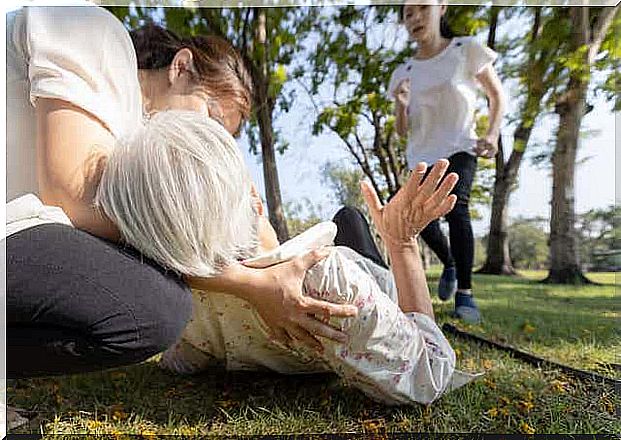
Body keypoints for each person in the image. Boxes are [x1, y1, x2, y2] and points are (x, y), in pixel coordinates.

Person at [5, 4, 356, 382]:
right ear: (181, 66)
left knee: (160, 305)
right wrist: (249, 284)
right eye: (212, 118)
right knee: (153, 308)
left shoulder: (129, 142)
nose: (206, 139)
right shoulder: (94, 33)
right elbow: (72, 198)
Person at [96, 110, 481, 405]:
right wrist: (402, 244)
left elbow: (180, 363)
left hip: (317, 268)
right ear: (253, 200)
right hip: (371, 282)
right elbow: (432, 375)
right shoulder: (325, 282)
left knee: (346, 221)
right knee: (349, 217)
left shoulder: (174, 305)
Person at [388, 1, 506, 323]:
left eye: (422, 8)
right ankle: (450, 262)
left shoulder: (465, 49)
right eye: (408, 13)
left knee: (457, 208)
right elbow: (401, 131)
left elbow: (497, 95)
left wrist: (492, 134)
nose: (414, 18)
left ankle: (465, 294)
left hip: (460, 147)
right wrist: (400, 105)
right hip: (420, 157)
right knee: (416, 218)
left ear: (442, 8)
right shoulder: (404, 72)